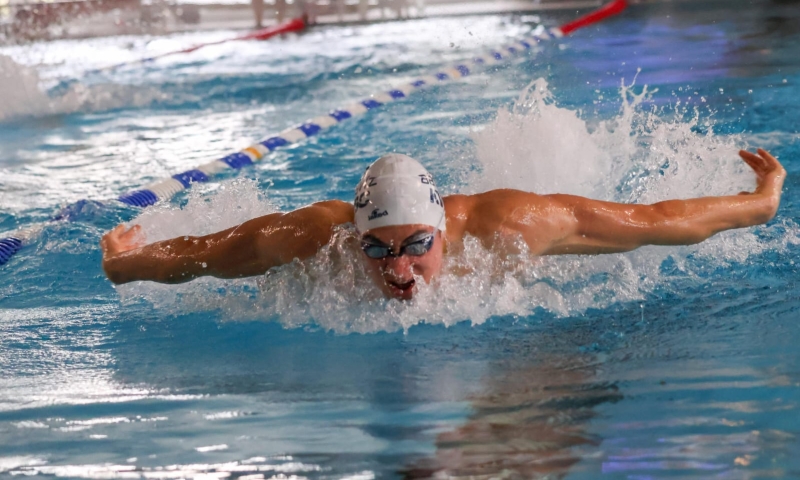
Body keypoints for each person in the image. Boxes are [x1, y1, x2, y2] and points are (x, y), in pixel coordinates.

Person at [101, 149, 785, 300]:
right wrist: (125, 263)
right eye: (377, 250)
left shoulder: (512, 225)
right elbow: (207, 252)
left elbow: (654, 220)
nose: (399, 270)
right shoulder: (314, 237)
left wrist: (759, 204)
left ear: (444, 235)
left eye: (416, 247)